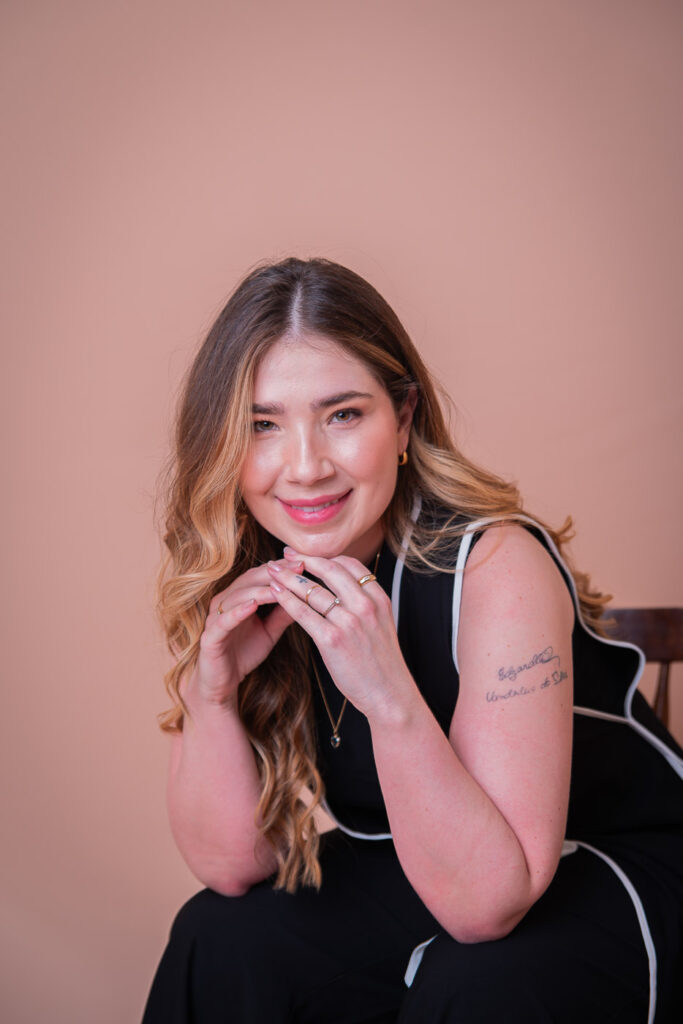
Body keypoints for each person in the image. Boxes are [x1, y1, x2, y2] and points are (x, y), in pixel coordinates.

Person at [142, 257, 682, 1024]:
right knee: (221, 937)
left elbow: (487, 906)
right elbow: (231, 865)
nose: (305, 466)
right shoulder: (255, 574)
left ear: (402, 419)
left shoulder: (496, 565)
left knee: (473, 982)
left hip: (608, 865)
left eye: (342, 415)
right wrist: (213, 693)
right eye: (262, 425)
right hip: (427, 862)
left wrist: (386, 695)